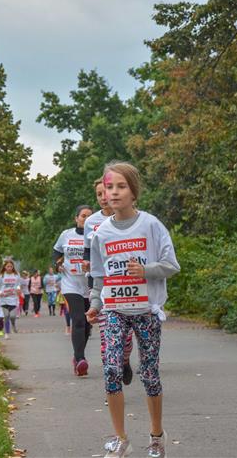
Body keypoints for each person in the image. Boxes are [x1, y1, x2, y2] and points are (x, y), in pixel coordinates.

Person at [86, 162, 180, 458]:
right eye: (109, 187)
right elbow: (98, 276)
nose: (113, 193)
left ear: (134, 192)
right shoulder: (101, 233)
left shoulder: (151, 225)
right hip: (114, 310)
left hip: (146, 310)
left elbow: (171, 265)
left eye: (121, 186)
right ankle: (121, 439)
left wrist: (146, 270)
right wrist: (95, 304)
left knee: (149, 373)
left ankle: (157, 436)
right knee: (112, 369)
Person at [84, 177, 134, 387]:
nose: (104, 197)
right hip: (103, 286)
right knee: (107, 341)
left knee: (126, 340)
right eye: (99, 194)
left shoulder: (133, 219)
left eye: (106, 192)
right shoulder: (92, 223)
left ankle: (124, 360)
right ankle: (112, 388)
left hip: (130, 288)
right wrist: (95, 301)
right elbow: (90, 254)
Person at [53, 205, 93, 376]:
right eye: (83, 216)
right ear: (76, 218)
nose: (86, 219)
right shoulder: (66, 235)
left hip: (90, 284)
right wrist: (58, 264)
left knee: (87, 325)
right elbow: (56, 252)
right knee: (78, 320)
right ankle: (80, 358)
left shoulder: (96, 235)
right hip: (70, 283)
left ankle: (77, 357)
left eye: (90, 216)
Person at [0, 259, 22, 340]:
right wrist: (0, 293)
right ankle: (6, 333)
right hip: (4, 299)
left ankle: (13, 324)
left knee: (12, 316)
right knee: (6, 316)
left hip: (13, 299)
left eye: (11, 266)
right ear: (5, 267)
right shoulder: (1, 276)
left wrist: (18, 289)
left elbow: (18, 285)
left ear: (13, 267)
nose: (9, 268)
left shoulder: (16, 275)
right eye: (8, 266)